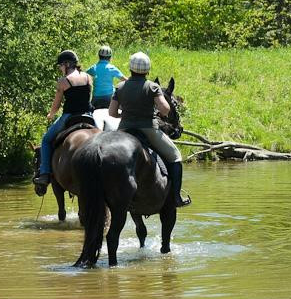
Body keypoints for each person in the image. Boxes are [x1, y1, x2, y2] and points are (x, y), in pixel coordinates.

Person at [109, 51, 191, 207]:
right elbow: (165, 109)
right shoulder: (152, 87)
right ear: (147, 70)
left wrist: (125, 115)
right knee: (175, 156)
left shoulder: (120, 87)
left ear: (130, 68)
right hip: (148, 129)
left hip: (124, 130)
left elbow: (111, 112)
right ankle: (176, 197)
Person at [33, 50, 92, 195]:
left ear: (66, 64)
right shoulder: (88, 77)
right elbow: (88, 98)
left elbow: (57, 104)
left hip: (70, 116)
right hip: (88, 115)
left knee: (46, 140)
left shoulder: (63, 81)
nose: (60, 69)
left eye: (60, 65)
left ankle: (45, 173)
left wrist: (51, 114)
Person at [85, 45, 126, 110]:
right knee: (121, 109)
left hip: (96, 97)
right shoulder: (112, 68)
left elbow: (84, 74)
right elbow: (125, 80)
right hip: (109, 97)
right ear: (110, 57)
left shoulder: (94, 68)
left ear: (99, 56)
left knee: (90, 113)